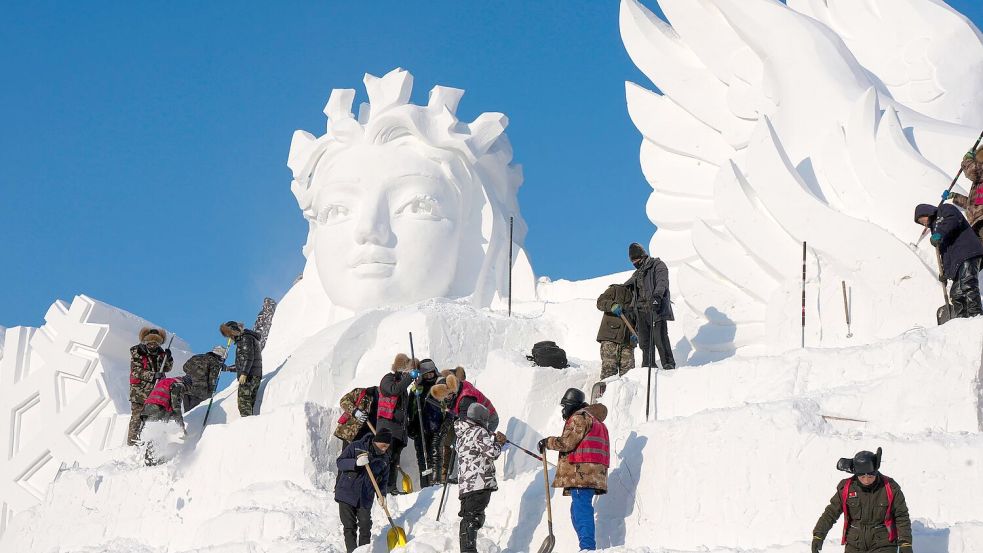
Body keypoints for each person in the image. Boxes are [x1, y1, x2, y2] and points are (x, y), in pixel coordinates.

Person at [538, 388, 610, 551]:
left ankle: (587, 547)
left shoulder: (579, 417)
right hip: (594, 472)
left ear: (573, 405)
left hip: (583, 472)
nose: (563, 410)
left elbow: (567, 442)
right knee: (576, 509)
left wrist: (547, 442)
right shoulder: (596, 421)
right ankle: (585, 545)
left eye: (565, 406)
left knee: (581, 508)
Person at [811, 448, 912, 553]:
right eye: (862, 476)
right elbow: (830, 513)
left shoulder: (890, 488)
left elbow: (902, 516)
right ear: (856, 474)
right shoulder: (846, 488)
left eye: (870, 475)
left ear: (876, 471)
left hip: (884, 543)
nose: (867, 480)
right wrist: (818, 535)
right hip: (855, 544)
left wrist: (906, 543)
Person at [454, 403, 506, 553]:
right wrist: (498, 443)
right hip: (479, 482)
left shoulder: (462, 434)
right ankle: (469, 550)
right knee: (474, 518)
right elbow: (492, 453)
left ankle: (466, 549)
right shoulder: (478, 431)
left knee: (468, 518)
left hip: (466, 485)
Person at [914, 204, 983, 318]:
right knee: (956, 294)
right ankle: (962, 320)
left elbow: (954, 219)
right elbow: (944, 253)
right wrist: (946, 274)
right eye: (921, 223)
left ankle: (976, 316)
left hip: (967, 252)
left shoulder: (945, 209)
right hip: (958, 260)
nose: (923, 223)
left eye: (922, 219)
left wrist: (939, 233)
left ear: (926, 212)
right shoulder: (934, 228)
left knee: (968, 284)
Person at [334, 428, 393, 553]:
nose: (384, 449)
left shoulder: (384, 459)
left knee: (365, 526)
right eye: (383, 446)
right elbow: (340, 462)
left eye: (386, 447)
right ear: (376, 441)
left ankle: (363, 551)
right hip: (347, 492)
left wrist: (382, 496)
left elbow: (383, 481)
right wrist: (355, 462)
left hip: (366, 495)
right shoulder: (356, 446)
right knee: (349, 526)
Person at [625, 242, 676, 370]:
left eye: (637, 259)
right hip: (641, 311)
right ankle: (648, 365)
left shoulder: (657, 265)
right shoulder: (636, 274)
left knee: (660, 338)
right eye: (633, 261)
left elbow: (662, 282)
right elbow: (627, 286)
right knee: (644, 342)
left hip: (655, 308)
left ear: (643, 256)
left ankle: (668, 363)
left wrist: (657, 296)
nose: (635, 263)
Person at [377, 353, 416, 495]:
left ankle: (391, 488)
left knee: (394, 460)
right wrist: (410, 377)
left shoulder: (403, 386)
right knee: (385, 460)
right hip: (388, 429)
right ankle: (382, 489)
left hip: (399, 431)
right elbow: (394, 390)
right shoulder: (388, 379)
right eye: (406, 371)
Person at [128, 327, 173, 446]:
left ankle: (149, 440)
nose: (153, 345)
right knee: (137, 416)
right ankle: (132, 443)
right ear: (145, 342)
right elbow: (136, 371)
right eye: (150, 343)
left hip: (156, 391)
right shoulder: (137, 352)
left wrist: (168, 357)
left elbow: (167, 368)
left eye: (156, 343)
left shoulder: (160, 354)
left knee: (154, 416)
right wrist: (153, 375)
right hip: (139, 391)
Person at [405, 359, 444, 487]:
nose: (428, 376)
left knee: (435, 455)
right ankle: (425, 485)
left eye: (430, 373)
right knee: (422, 457)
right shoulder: (417, 387)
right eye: (425, 374)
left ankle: (436, 482)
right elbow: (410, 407)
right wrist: (410, 423)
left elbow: (446, 405)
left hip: (436, 426)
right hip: (419, 427)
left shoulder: (440, 385)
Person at [220, 321, 264, 416]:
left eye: (230, 335)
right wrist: (228, 368)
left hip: (249, 376)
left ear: (234, 331)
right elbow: (242, 362)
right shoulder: (245, 338)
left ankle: (247, 425)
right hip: (253, 374)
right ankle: (250, 423)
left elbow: (249, 357)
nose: (230, 338)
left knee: (243, 403)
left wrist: (244, 373)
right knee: (248, 403)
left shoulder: (245, 338)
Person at [595, 283, 637, 380]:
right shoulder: (616, 289)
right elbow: (600, 301)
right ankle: (605, 394)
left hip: (628, 342)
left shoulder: (641, 300)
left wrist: (637, 333)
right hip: (610, 337)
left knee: (629, 376)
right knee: (609, 372)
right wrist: (612, 305)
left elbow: (640, 321)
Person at [181, 346, 234, 411]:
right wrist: (209, 396)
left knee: (188, 415)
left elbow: (185, 368)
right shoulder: (215, 363)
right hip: (199, 393)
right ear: (220, 356)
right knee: (195, 416)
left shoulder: (196, 357)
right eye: (222, 360)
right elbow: (212, 381)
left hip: (186, 389)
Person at [947, 148, 983, 242]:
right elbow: (976, 205)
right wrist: (955, 196)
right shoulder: (980, 185)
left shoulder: (980, 174)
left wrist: (967, 158)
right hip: (977, 225)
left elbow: (972, 171)